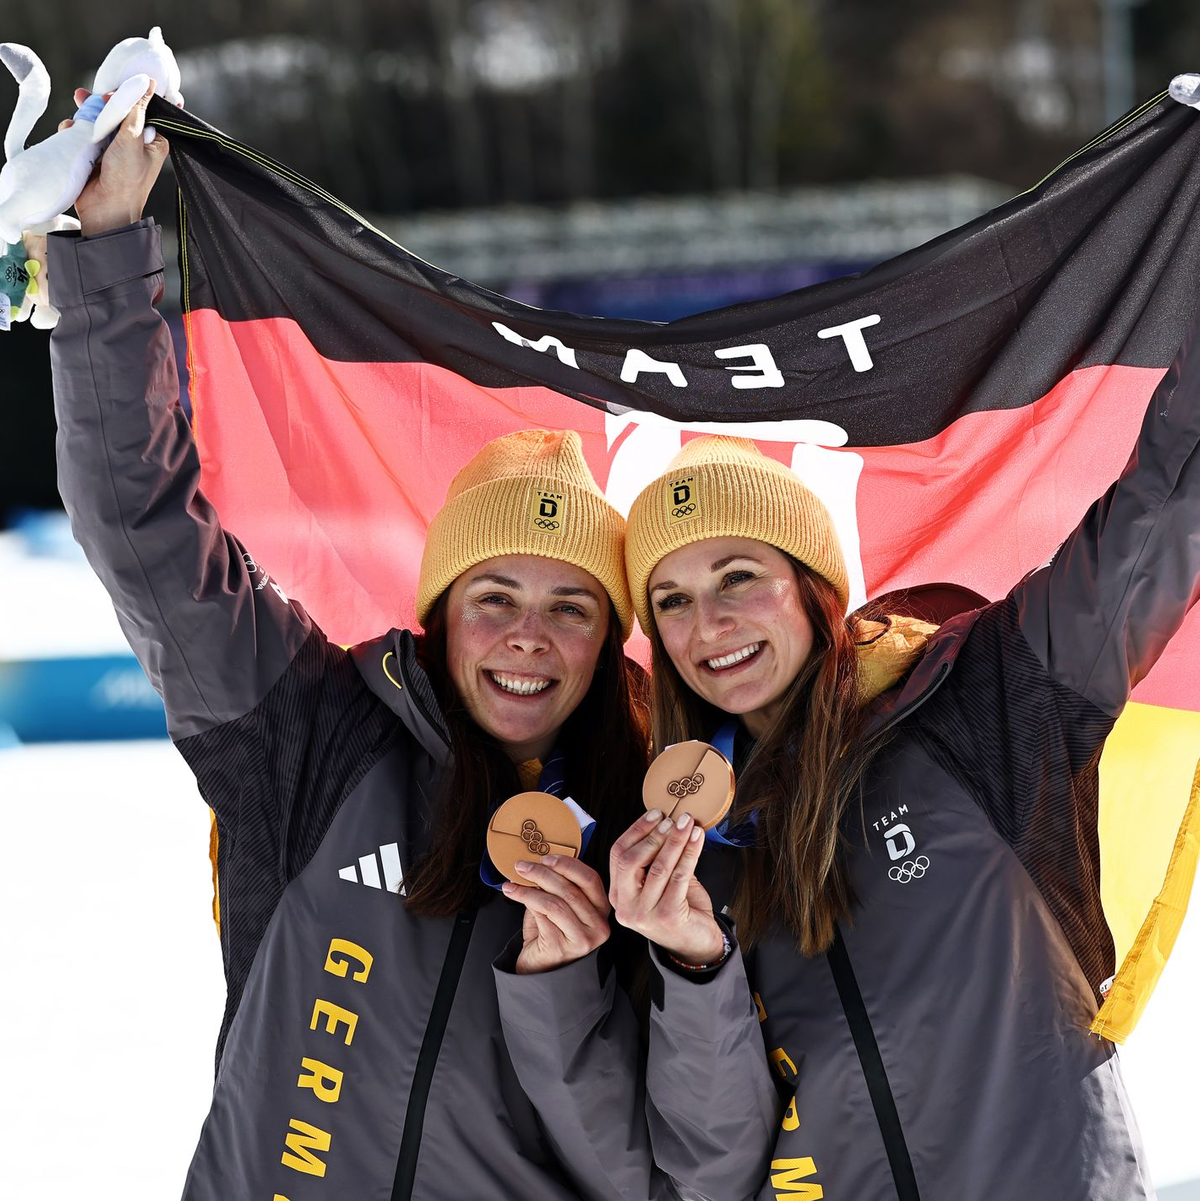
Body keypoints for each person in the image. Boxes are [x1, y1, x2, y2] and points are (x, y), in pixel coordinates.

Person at [47, 82, 777, 1200]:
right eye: (495, 595)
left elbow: (696, 1176)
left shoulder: (656, 832)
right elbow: (142, 525)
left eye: (572, 607)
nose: (527, 638)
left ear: (610, 642)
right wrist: (105, 251)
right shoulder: (314, 734)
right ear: (437, 611)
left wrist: (665, 965)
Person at [620, 408, 1200, 1197]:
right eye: (672, 600)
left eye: (738, 577)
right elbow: (717, 1172)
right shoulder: (684, 854)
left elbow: (1157, 517)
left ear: (814, 586)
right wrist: (695, 963)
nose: (710, 624)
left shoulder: (979, 700)